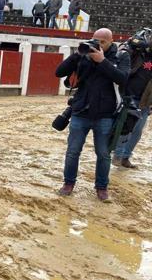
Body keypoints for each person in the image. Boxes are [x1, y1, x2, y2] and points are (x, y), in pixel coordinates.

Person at [55, 28, 129, 201]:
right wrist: (77, 54)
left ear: (111, 41)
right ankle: (68, 183)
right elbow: (59, 73)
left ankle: (102, 187)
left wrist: (102, 61)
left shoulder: (120, 56)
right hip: (81, 111)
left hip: (105, 114)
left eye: (102, 42)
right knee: (73, 151)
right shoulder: (84, 53)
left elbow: (123, 79)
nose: (98, 44)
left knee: (103, 153)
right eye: (95, 40)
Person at [113, 29, 152, 169]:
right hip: (130, 96)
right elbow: (122, 50)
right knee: (127, 127)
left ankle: (126, 157)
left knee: (137, 131)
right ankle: (117, 155)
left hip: (145, 100)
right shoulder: (136, 51)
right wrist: (135, 43)